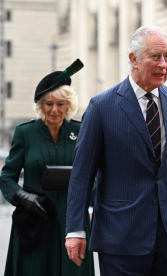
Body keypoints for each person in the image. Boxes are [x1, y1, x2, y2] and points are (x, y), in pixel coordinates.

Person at [65, 25, 167, 276]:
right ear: (133, 59)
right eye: (155, 56)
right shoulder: (101, 107)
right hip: (121, 239)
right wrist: (75, 230)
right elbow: (82, 175)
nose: (163, 64)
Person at [0, 59, 95, 276]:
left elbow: (95, 173)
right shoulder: (25, 133)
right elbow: (6, 177)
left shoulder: (81, 131)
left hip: (72, 219)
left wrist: (88, 190)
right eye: (48, 103)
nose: (54, 109)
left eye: (60, 104)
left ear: (68, 105)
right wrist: (22, 197)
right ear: (40, 105)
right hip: (34, 219)